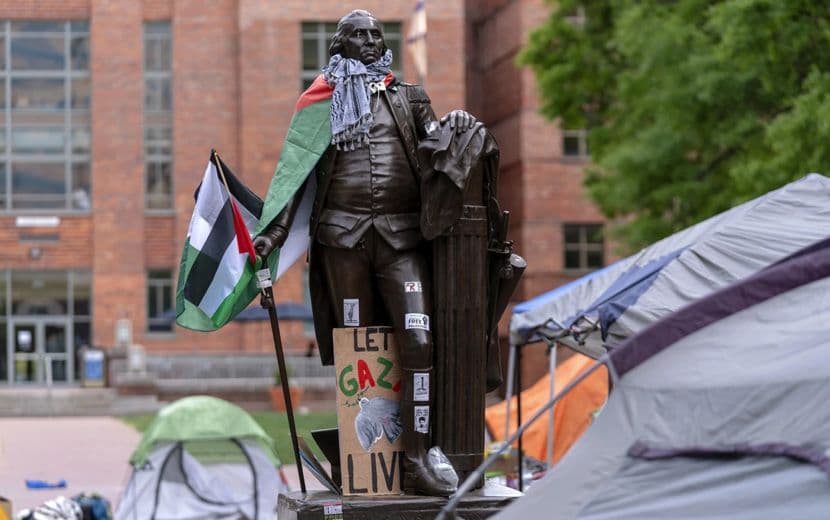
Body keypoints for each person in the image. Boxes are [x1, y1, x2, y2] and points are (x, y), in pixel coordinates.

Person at [253, 9, 477, 496]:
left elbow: (438, 148)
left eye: (377, 34)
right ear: (340, 45)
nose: (371, 41)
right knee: (358, 350)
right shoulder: (318, 105)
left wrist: (455, 126)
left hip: (401, 240)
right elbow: (295, 176)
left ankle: (416, 458)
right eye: (359, 35)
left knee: (419, 342)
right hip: (343, 241)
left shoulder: (408, 96)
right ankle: (364, 459)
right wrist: (272, 233)